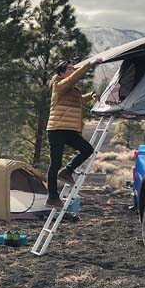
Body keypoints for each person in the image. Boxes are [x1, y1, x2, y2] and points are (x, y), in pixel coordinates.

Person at [45, 58, 102, 207]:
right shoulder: (59, 85)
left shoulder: (71, 89)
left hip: (69, 129)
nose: (72, 70)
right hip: (56, 129)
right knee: (55, 163)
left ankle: (68, 170)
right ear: (61, 73)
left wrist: (91, 95)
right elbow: (72, 79)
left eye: (73, 68)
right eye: (69, 69)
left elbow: (78, 101)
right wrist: (88, 65)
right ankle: (52, 197)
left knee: (87, 149)